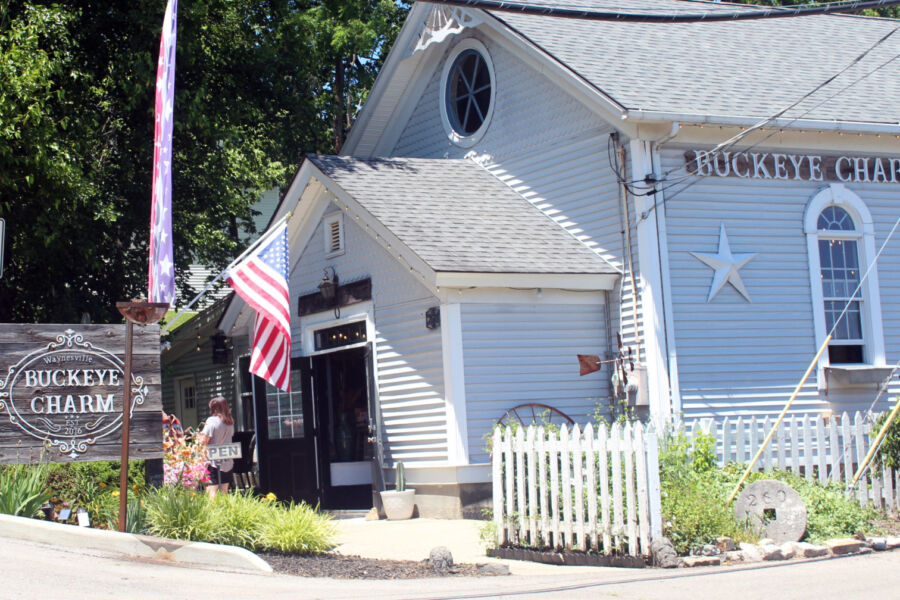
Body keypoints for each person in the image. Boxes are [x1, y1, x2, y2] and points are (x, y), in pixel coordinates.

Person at [198, 396, 235, 497]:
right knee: (224, 492)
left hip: (213, 461)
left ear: (214, 408)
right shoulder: (230, 422)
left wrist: (198, 436)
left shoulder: (212, 421)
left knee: (211, 491)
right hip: (227, 461)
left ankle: (213, 512)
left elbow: (204, 440)